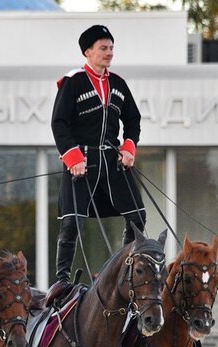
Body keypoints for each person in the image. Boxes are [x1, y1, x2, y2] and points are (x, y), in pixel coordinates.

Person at [47, 25, 145, 301]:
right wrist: (72, 156)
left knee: (138, 215)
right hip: (81, 163)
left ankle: (124, 269)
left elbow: (133, 120)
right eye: (103, 48)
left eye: (111, 47)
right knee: (71, 222)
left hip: (112, 162)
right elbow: (59, 122)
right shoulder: (73, 81)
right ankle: (62, 280)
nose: (109, 52)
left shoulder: (118, 84)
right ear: (87, 52)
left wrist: (128, 146)